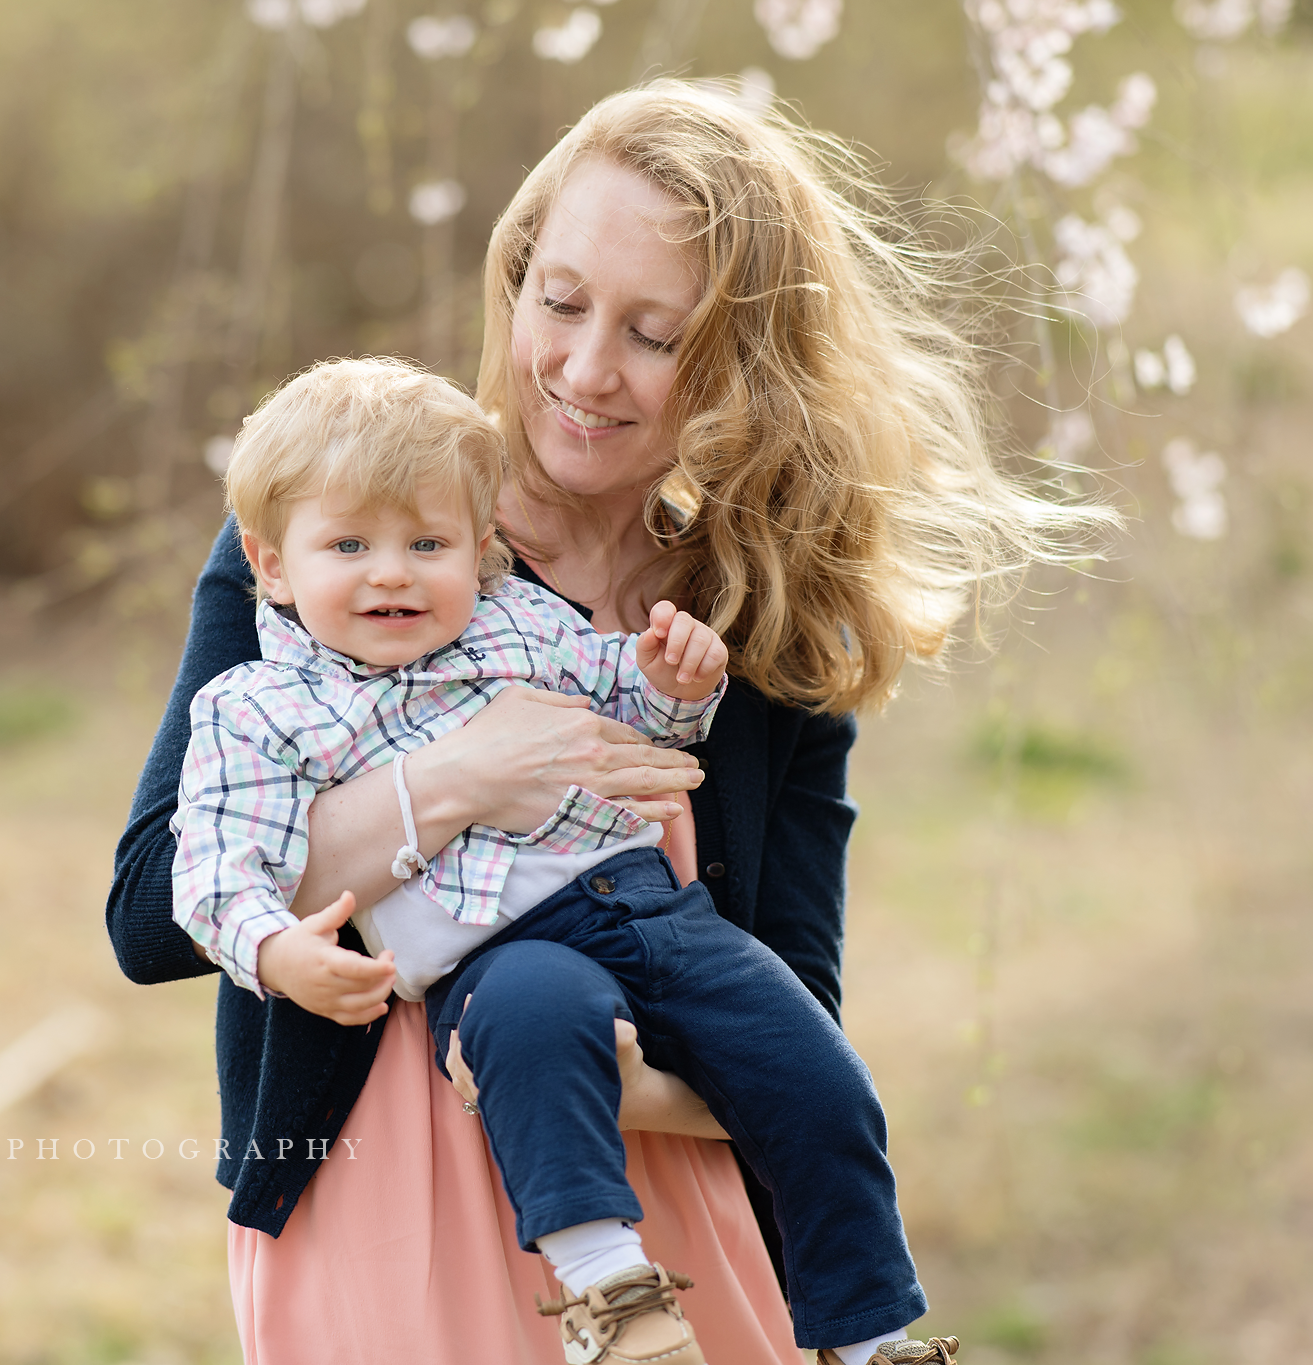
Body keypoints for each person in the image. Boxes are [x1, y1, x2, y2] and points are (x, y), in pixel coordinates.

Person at [108, 81, 1093, 1365]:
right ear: (512, 284)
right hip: (374, 1214)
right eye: (560, 302)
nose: (583, 369)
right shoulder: (337, 549)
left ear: (742, 360)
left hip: (665, 1242)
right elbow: (149, 911)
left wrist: (604, 1082)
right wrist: (455, 779)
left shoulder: (759, 630)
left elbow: (795, 1012)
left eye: (653, 334)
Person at [171, 355, 957, 1365]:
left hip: (652, 912)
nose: (391, 571)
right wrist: (277, 953)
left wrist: (675, 687)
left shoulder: (522, 622)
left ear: (480, 548)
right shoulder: (257, 710)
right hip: (499, 948)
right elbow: (205, 874)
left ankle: (870, 1336)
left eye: (426, 542)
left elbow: (631, 710)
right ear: (271, 566)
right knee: (535, 1025)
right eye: (350, 545)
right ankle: (610, 1294)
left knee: (815, 1071)